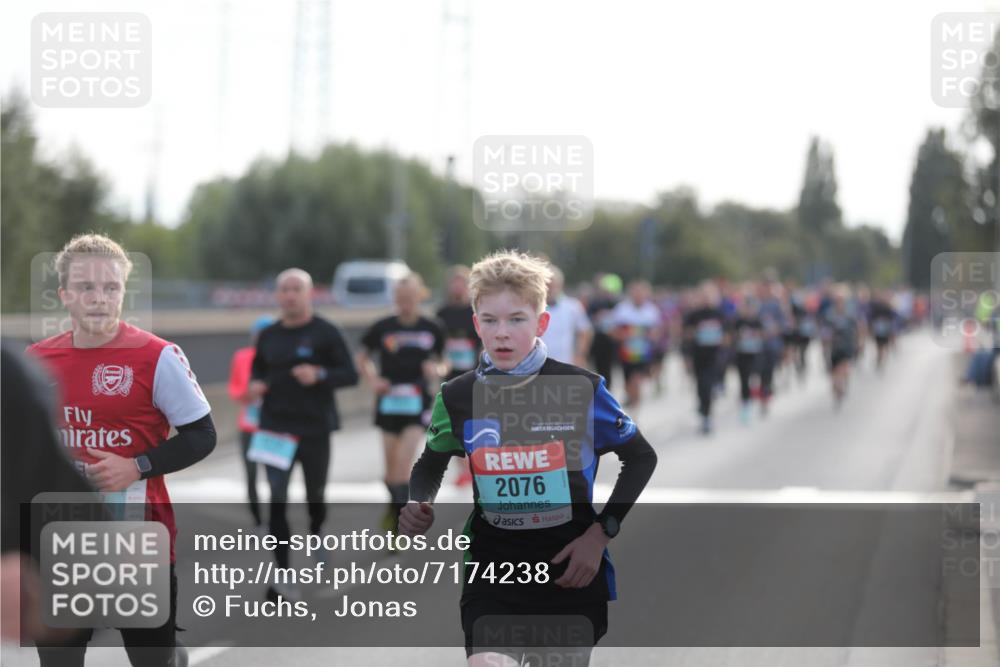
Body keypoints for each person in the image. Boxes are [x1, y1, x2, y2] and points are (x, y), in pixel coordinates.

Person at [400, 250, 657, 667]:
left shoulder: (581, 388)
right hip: (492, 572)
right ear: (475, 324)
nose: (502, 333)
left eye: (516, 319)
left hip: (570, 569)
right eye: (490, 320)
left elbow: (641, 458)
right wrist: (418, 501)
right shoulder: (458, 395)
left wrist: (598, 537)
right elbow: (431, 462)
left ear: (541, 323)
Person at [27, 233, 216, 667]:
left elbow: (202, 435)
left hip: (137, 540)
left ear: (123, 293)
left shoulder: (157, 356)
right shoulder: (35, 361)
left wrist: (138, 465)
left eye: (110, 287)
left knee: (151, 660)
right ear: (65, 296)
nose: (99, 298)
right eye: (86, 287)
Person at [248, 268, 358, 593]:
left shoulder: (326, 332)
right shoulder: (268, 335)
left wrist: (320, 373)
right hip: (275, 428)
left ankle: (316, 531)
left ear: (309, 294)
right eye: (284, 290)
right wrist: (256, 384)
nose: (290, 295)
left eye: (296, 289)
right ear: (277, 296)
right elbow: (258, 369)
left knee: (315, 495)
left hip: (314, 428)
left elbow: (350, 374)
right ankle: (283, 573)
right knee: (277, 499)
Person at [356, 273, 446, 535]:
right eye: (400, 298)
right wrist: (373, 379)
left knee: (404, 466)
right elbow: (362, 356)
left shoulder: (432, 327)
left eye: (410, 298)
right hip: (388, 403)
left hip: (417, 403)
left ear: (420, 296)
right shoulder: (383, 326)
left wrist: (436, 369)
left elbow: (444, 361)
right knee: (390, 472)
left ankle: (398, 527)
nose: (405, 303)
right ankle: (393, 508)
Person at [227, 315, 274, 532]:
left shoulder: (280, 356)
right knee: (251, 474)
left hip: (273, 426)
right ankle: (257, 520)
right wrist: (247, 393)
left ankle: (276, 518)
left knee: (275, 476)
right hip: (248, 425)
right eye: (258, 335)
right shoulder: (242, 356)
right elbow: (234, 389)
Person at [682, 281, 728, 434]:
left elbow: (728, 335)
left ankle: (707, 416)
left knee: (708, 385)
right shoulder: (694, 314)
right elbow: (686, 335)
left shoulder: (719, 314)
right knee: (701, 385)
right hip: (698, 355)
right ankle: (702, 407)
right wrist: (697, 332)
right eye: (704, 295)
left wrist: (721, 338)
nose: (707, 298)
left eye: (711, 295)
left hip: (715, 356)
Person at [609, 280, 661, 409]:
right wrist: (624, 335)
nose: (638, 295)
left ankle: (636, 405)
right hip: (626, 353)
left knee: (637, 380)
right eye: (635, 292)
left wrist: (649, 336)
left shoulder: (652, 310)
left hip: (644, 352)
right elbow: (612, 331)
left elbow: (657, 332)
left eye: (641, 292)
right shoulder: (621, 309)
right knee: (628, 383)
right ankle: (631, 398)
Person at [541, 265, 593, 367]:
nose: (549, 289)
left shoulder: (573, 306)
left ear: (560, 285)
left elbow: (585, 332)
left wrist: (580, 356)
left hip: (565, 365)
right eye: (546, 285)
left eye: (552, 285)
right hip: (538, 366)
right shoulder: (532, 307)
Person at [821, 285, 861, 409]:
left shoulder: (850, 314)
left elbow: (857, 328)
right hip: (834, 347)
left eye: (841, 300)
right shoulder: (829, 315)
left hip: (847, 345)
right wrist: (825, 343)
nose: (839, 303)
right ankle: (837, 387)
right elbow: (825, 331)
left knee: (844, 367)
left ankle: (842, 383)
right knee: (834, 371)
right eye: (837, 300)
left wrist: (858, 342)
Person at [732, 295, 765, 424]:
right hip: (742, 355)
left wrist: (756, 335)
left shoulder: (758, 321)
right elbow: (731, 336)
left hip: (756, 354)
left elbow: (764, 335)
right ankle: (745, 404)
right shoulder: (738, 321)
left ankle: (760, 398)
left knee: (756, 377)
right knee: (744, 380)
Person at [585, 274, 622, 390]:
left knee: (608, 368)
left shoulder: (616, 303)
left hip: (611, 339)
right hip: (597, 338)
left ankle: (607, 390)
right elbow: (587, 319)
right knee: (596, 367)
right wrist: (596, 317)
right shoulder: (594, 302)